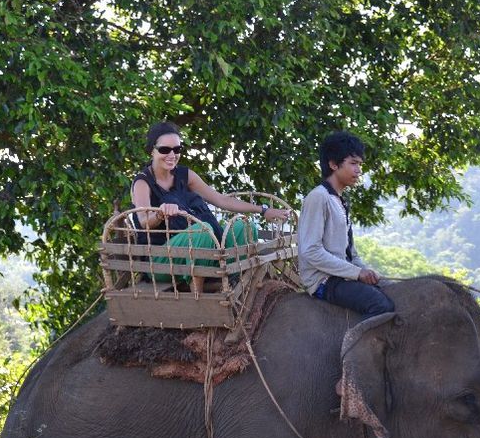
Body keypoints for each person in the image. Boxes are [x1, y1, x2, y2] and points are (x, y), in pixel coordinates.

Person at [131, 122, 290, 293]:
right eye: (165, 150)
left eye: (177, 149)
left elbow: (221, 200)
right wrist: (161, 214)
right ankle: (197, 294)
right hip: (163, 260)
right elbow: (144, 221)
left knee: (244, 226)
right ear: (152, 150)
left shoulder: (185, 175)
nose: (172, 155)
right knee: (202, 230)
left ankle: (232, 280)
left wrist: (264, 210)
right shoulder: (143, 182)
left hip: (201, 251)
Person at [298, 131, 394, 318]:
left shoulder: (339, 200)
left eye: (359, 164)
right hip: (324, 281)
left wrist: (365, 270)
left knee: (393, 289)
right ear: (333, 164)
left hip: (341, 276)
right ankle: (355, 347)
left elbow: (350, 251)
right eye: (353, 163)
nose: (358, 170)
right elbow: (310, 251)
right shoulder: (319, 197)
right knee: (380, 305)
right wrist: (357, 273)